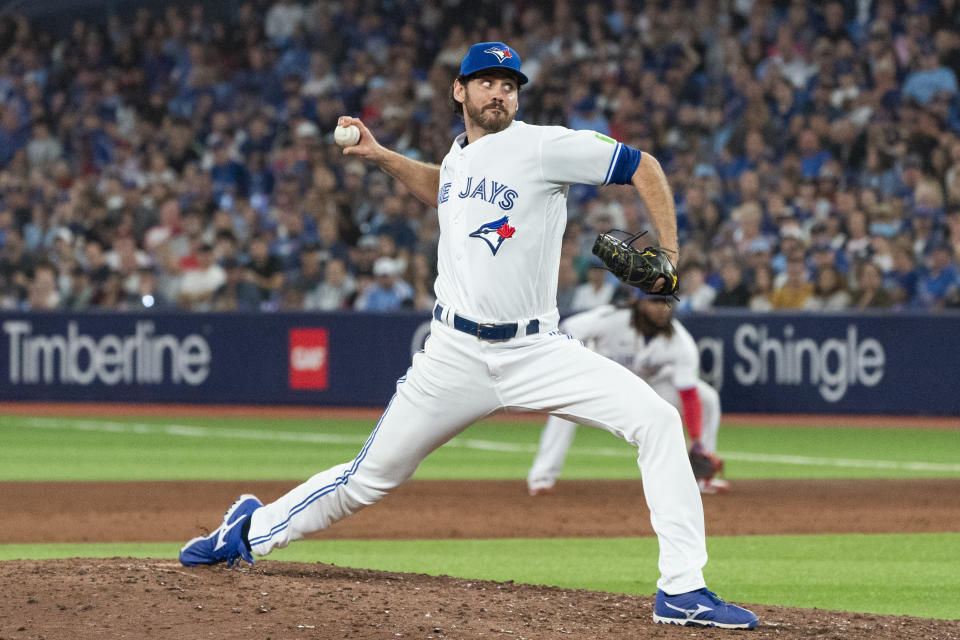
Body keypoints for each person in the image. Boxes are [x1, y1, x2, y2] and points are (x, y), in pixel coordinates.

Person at [179, 42, 758, 630]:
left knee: (657, 420)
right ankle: (248, 530)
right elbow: (444, 190)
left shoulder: (540, 146)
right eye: (487, 82)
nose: (499, 92)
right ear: (460, 91)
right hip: (453, 355)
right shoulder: (458, 157)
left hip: (536, 350)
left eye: (509, 84)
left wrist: (670, 255)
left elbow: (645, 167)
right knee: (367, 480)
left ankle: (682, 589)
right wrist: (381, 156)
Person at [527, 294, 729, 496]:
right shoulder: (613, 319)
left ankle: (702, 476)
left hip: (649, 388)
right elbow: (569, 328)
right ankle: (541, 476)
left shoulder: (679, 340)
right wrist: (577, 361)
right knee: (566, 400)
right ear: (639, 302)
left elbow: (689, 394)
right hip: (601, 382)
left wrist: (695, 440)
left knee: (708, 398)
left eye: (666, 302)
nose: (662, 308)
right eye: (655, 301)